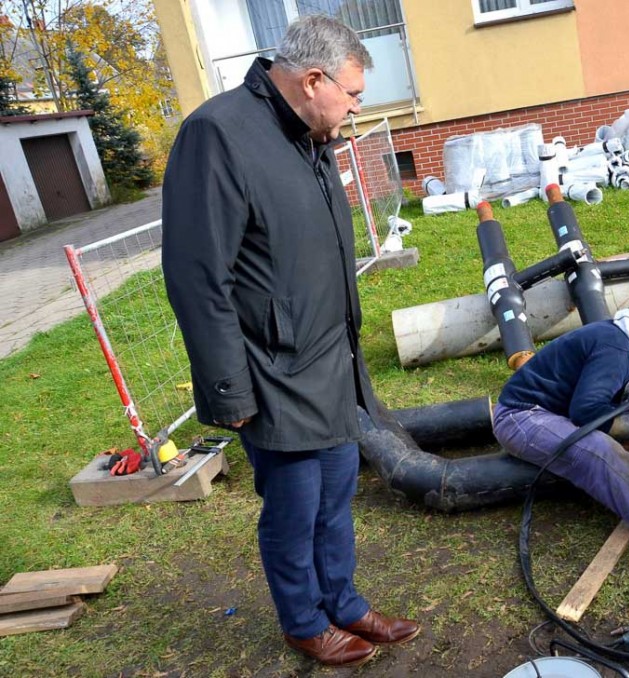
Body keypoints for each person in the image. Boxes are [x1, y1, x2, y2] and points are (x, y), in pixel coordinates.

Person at [162, 15, 419, 668]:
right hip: (272, 370)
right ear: (312, 80)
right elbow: (197, 276)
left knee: (336, 495)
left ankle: (343, 602)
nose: (357, 108)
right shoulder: (218, 134)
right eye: (352, 94)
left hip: (329, 360)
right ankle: (303, 621)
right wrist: (229, 388)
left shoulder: (310, 134)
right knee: (296, 508)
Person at [491, 310, 629, 549]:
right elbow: (586, 411)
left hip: (552, 410)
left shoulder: (625, 344)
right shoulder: (616, 352)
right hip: (521, 416)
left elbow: (609, 396)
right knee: (599, 450)